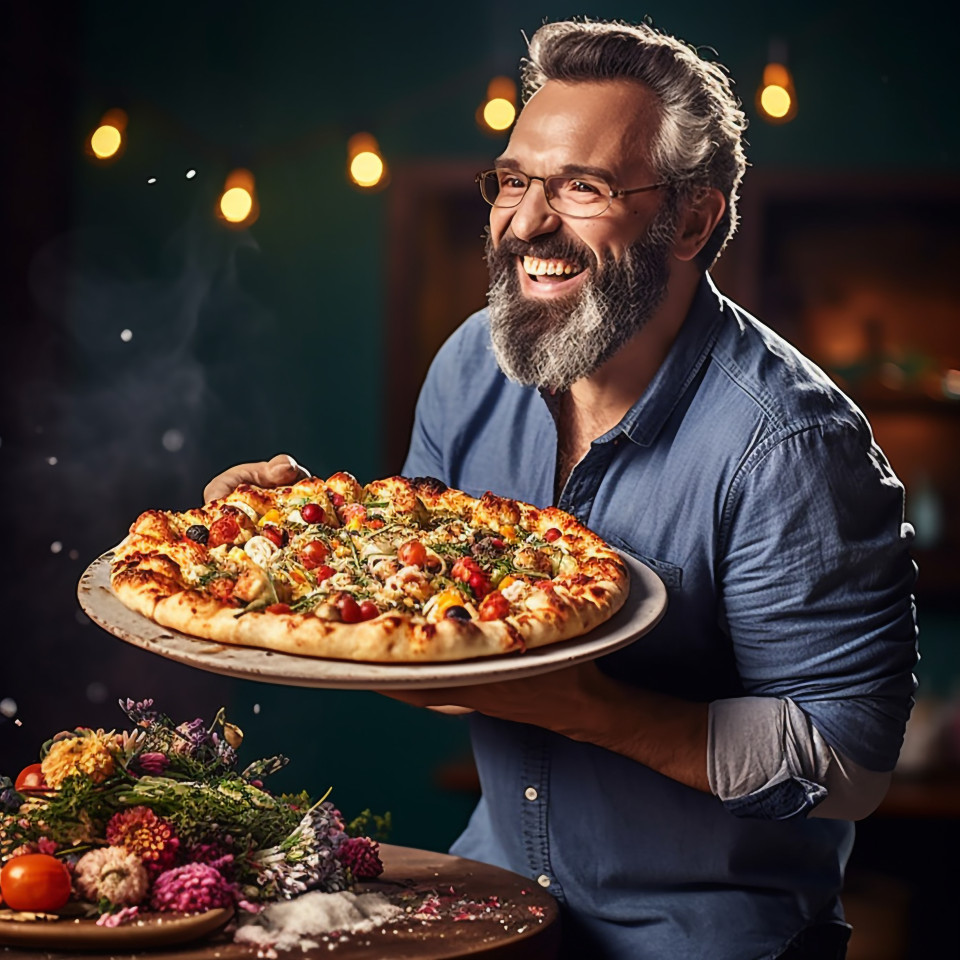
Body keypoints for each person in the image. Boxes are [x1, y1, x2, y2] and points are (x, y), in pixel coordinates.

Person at [205, 19, 918, 960]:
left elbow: (849, 764)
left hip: (705, 935)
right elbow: (425, 643)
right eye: (514, 181)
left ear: (694, 221)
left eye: (582, 188)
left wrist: (588, 707)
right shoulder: (470, 363)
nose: (528, 224)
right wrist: (307, 538)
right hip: (495, 903)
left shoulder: (789, 444)